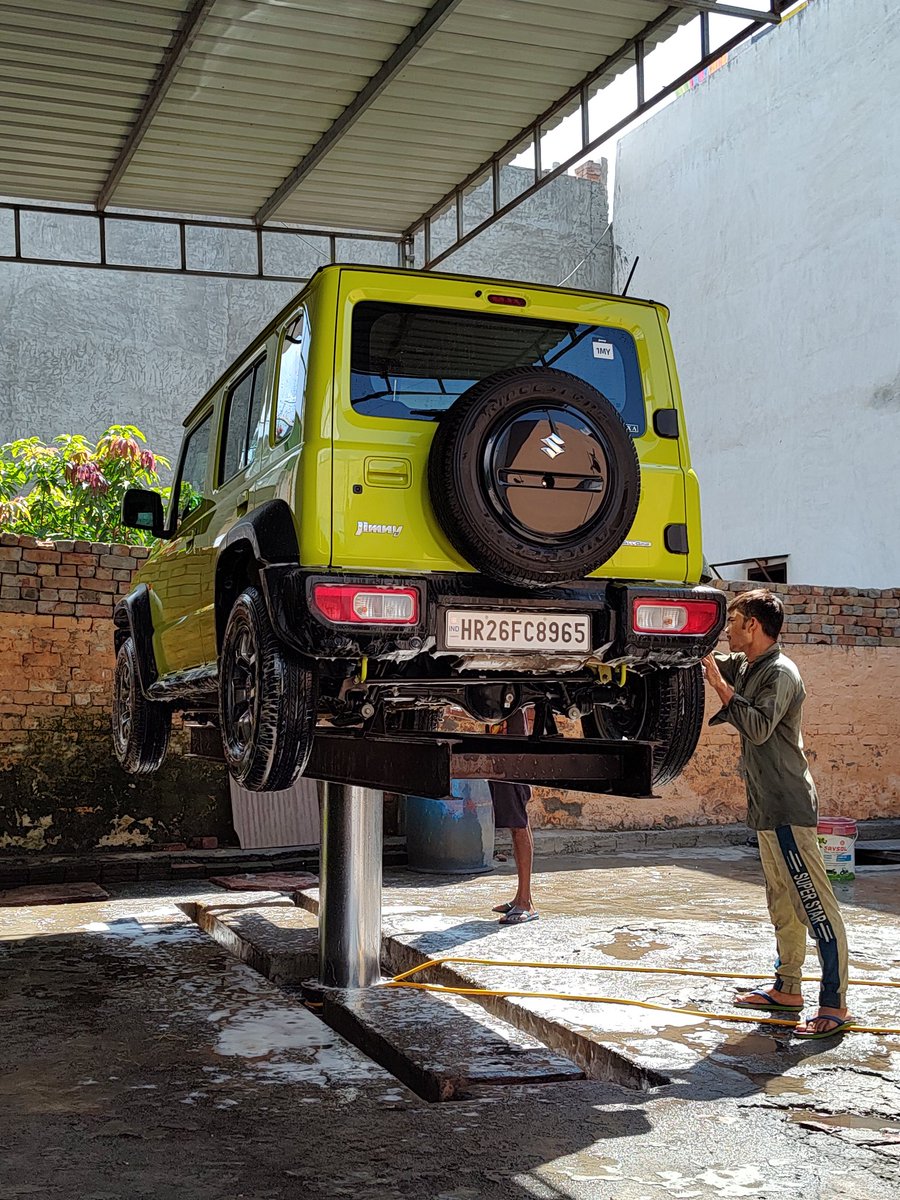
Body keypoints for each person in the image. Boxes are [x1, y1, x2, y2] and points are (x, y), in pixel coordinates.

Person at [702, 588, 852, 1039]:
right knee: (781, 902)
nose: (728, 629)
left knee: (815, 905)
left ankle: (834, 1003)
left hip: (788, 804)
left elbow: (760, 727)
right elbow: (705, 660)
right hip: (765, 807)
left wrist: (721, 687)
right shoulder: (750, 665)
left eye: (734, 620)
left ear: (753, 626)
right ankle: (787, 986)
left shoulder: (781, 673)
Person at [488, 706, 538, 925]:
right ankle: (520, 897)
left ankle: (526, 903)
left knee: (519, 824)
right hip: (500, 755)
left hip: (511, 759)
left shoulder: (514, 706)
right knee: (516, 823)